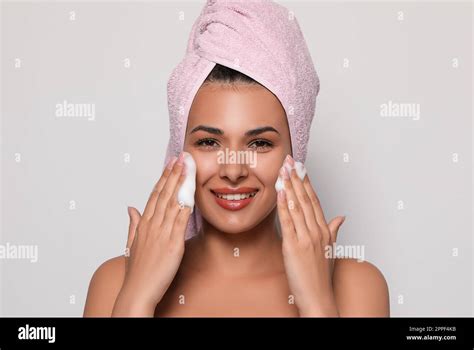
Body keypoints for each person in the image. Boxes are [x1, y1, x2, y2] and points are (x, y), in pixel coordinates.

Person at [83, 64, 389, 317]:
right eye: (209, 142)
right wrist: (136, 301)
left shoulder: (356, 286)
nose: (232, 170)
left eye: (260, 144)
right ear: (179, 153)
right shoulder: (115, 283)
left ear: (295, 156)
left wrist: (317, 304)